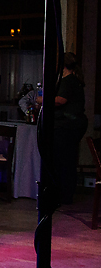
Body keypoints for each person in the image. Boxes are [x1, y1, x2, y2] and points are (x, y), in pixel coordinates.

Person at [45, 52, 89, 205]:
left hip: (67, 126)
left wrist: (42, 99)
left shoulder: (68, 81)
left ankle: (63, 195)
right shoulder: (74, 80)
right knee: (67, 160)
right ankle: (65, 194)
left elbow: (60, 100)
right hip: (71, 126)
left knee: (63, 160)